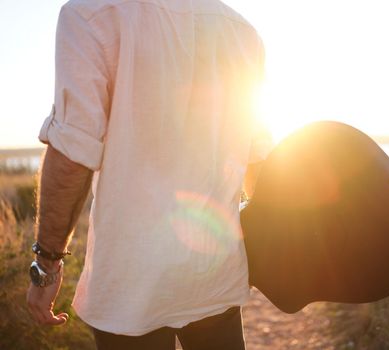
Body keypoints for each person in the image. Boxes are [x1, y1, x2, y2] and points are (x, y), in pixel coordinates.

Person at [26, 0, 271, 349]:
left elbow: (72, 154)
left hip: (130, 285)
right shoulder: (243, 33)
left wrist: (46, 266)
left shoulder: (90, 15)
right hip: (215, 273)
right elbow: (257, 159)